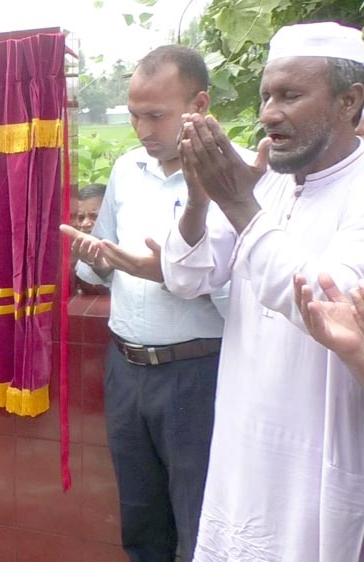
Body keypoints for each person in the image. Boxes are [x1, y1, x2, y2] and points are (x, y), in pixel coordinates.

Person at [166, 21, 364, 561]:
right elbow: (187, 277)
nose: (268, 113)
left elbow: (326, 303)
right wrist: (200, 198)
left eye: (290, 95)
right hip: (243, 446)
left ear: (350, 102)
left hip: (317, 455)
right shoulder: (269, 182)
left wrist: (238, 203)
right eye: (266, 95)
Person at [60, 46, 234, 562]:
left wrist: (171, 274)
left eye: (155, 116)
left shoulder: (237, 174)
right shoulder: (128, 168)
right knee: (140, 518)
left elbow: (249, 293)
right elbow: (97, 268)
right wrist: (97, 258)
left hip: (198, 371)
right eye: (134, 115)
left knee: (201, 517)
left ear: (198, 104)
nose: (141, 130)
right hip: (127, 369)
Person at [69, 183, 108, 295]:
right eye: (81, 218)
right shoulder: (74, 257)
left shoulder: (127, 252)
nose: (85, 223)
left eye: (95, 216)